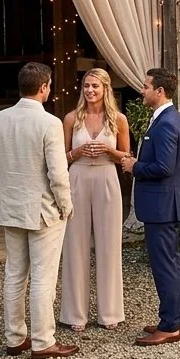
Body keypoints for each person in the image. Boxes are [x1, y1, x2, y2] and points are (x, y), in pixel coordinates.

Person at [0, 63, 78, 359]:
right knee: (43, 276)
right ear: (44, 87)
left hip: (10, 206)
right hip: (43, 210)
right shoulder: (49, 122)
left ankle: (15, 338)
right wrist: (66, 205)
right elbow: (58, 174)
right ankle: (42, 341)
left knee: (14, 273)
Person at [121, 68, 180, 346]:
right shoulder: (164, 119)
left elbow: (164, 166)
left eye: (146, 86)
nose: (142, 90)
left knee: (165, 266)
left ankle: (171, 325)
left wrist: (133, 166)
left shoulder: (167, 123)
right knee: (169, 263)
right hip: (163, 205)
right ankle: (176, 318)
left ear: (159, 91)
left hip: (163, 207)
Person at [58, 68, 130, 333]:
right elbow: (60, 158)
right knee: (74, 245)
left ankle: (109, 312)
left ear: (105, 89)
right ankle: (75, 314)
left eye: (95, 86)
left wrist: (109, 150)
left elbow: (126, 157)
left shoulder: (118, 119)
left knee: (109, 245)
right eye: (86, 86)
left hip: (106, 179)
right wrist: (76, 152)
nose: (89, 90)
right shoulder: (70, 119)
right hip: (77, 178)